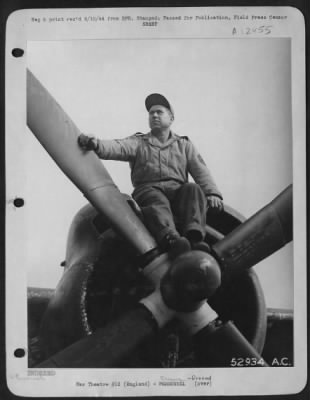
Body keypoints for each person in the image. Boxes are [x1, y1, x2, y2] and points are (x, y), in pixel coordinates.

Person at [78, 93, 223, 258]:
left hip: (177, 191)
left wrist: (212, 193)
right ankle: (171, 239)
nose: (154, 115)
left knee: (193, 189)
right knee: (156, 200)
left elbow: (200, 169)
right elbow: (118, 147)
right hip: (148, 189)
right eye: (151, 113)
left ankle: (195, 237)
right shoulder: (139, 142)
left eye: (159, 112)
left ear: (171, 118)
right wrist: (96, 144)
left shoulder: (184, 145)